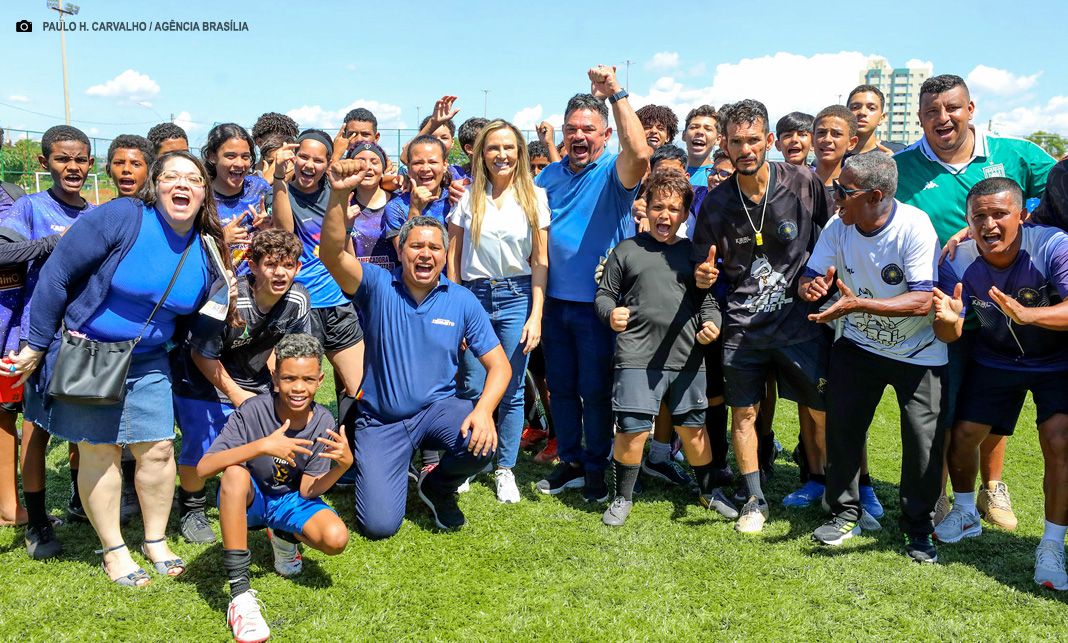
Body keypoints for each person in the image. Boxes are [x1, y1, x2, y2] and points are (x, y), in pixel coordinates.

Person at [5, 150, 235, 586]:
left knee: (159, 449)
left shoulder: (205, 245)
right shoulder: (123, 216)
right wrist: (37, 344)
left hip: (149, 360)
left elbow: (203, 310)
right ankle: (113, 548)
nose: (182, 185)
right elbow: (56, 274)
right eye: (172, 177)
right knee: (101, 450)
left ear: (205, 193)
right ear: (156, 184)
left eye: (194, 179)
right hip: (90, 354)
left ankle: (154, 540)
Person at [318, 158, 511, 537]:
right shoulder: (376, 285)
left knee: (482, 443)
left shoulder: (461, 300)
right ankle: (389, 466)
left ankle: (437, 486)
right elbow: (332, 255)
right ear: (401, 251)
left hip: (438, 410)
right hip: (382, 420)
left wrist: (485, 410)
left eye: (434, 248)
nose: (425, 254)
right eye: (416, 246)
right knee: (379, 526)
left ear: (444, 255)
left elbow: (500, 367)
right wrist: (339, 195)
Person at [896, 74, 1057, 529]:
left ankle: (992, 488)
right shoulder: (904, 165)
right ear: (920, 117)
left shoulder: (1016, 152)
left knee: (995, 406)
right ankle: (944, 493)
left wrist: (987, 223)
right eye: (931, 111)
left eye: (952, 108)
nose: (942, 119)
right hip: (944, 304)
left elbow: (1057, 195)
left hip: (1011, 304)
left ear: (971, 108)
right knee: (948, 405)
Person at [692, 99, 833, 533]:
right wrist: (701, 275)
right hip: (743, 328)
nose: (745, 148)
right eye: (736, 141)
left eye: (754, 139)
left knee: (821, 408)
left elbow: (833, 238)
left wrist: (820, 281)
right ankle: (755, 498)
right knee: (745, 414)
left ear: (769, 140)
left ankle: (833, 485)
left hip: (799, 322)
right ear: (725, 144)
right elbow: (702, 269)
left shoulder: (805, 182)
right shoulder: (715, 204)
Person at [802, 152, 945, 563]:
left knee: (922, 443)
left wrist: (857, 308)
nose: (836, 197)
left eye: (844, 192)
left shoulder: (914, 226)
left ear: (876, 196)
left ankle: (919, 529)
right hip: (859, 346)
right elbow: (812, 277)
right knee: (843, 430)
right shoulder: (839, 225)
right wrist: (810, 289)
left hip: (919, 352)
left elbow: (921, 301)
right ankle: (844, 512)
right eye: (835, 188)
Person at [933, 177, 1068, 589]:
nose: (989, 225)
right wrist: (950, 322)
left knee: (1060, 441)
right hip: (996, 359)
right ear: (968, 223)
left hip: (1056, 360)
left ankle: (1052, 544)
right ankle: (964, 511)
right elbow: (948, 332)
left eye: (999, 214)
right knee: (963, 435)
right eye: (980, 217)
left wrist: (1029, 316)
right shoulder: (956, 260)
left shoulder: (1052, 245)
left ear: (1022, 216)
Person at [533, 65, 651, 502]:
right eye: (572, 129)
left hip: (600, 306)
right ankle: (571, 460)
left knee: (596, 392)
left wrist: (615, 92)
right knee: (561, 388)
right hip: (554, 304)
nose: (579, 136)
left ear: (604, 135)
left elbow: (639, 152)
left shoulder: (613, 173)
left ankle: (598, 467)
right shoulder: (547, 177)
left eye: (589, 129)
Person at [596, 169, 736, 525]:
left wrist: (713, 326)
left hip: (686, 357)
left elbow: (708, 304)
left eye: (674, 209)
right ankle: (622, 497)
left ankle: (707, 492)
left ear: (686, 213)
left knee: (693, 429)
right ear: (646, 207)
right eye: (658, 206)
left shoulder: (695, 255)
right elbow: (604, 296)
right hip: (636, 356)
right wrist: (611, 314)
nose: (665, 215)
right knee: (632, 428)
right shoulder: (626, 250)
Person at [197, 333, 351, 642]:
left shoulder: (322, 419)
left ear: (320, 380)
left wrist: (344, 465)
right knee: (234, 474)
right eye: (289, 378)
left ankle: (282, 535)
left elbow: (308, 490)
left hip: (289, 499)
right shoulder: (254, 410)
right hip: (249, 498)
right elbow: (204, 468)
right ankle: (240, 594)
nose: (298, 387)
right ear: (275, 378)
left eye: (307, 379)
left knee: (336, 539)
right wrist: (262, 446)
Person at [171, 229, 311, 543]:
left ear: (298, 268)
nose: (280, 273)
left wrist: (279, 390)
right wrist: (237, 395)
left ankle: (263, 499)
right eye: (271, 264)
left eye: (288, 265)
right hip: (198, 377)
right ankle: (192, 509)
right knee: (202, 443)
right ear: (252, 264)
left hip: (254, 379)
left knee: (275, 437)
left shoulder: (298, 298)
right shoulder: (231, 297)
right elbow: (200, 353)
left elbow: (288, 349)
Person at [1, 125, 95, 559]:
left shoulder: (94, 213)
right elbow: (3, 253)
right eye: (62, 159)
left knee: (80, 426)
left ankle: (80, 502)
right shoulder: (29, 207)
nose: (72, 167)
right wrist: (51, 245)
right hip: (35, 336)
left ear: (90, 164)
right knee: (35, 428)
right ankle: (36, 522)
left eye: (80, 160)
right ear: (45, 164)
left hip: (80, 337)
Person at [446, 120, 549, 503]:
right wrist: (455, 307)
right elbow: (453, 259)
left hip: (517, 295)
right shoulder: (467, 197)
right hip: (473, 297)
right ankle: (472, 460)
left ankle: (505, 467)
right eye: (493, 148)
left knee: (511, 388)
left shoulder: (535, 197)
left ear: (519, 152)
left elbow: (540, 261)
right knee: (471, 384)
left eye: (508, 147)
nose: (501, 155)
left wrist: (536, 314)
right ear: (481, 154)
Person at [269, 130, 365, 424]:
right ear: (293, 157)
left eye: (318, 160)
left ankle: (352, 450)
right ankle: (294, 456)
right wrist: (279, 181)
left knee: (359, 387)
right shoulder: (280, 191)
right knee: (298, 391)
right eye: (304, 157)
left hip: (338, 304)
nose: (309, 165)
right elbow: (286, 235)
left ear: (327, 163)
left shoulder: (336, 191)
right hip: (300, 306)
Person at [203, 123, 272, 275]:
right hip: (221, 285)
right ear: (212, 156)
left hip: (260, 283)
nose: (239, 163)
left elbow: (282, 235)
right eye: (230, 156)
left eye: (245, 157)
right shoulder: (202, 197)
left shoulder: (259, 188)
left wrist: (269, 225)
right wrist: (222, 239)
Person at [382, 135, 453, 244]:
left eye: (433, 162)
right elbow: (403, 253)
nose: (425, 169)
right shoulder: (396, 207)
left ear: (444, 165)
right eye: (418, 163)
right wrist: (415, 209)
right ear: (409, 169)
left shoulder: (455, 200)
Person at [346, 142, 398, 270]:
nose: (368, 167)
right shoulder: (342, 204)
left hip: (393, 286)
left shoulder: (398, 203)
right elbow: (344, 261)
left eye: (374, 162)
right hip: (358, 283)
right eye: (360, 161)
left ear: (383, 169)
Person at [812, 106, 859, 187]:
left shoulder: (856, 191)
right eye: (821, 132)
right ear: (812, 139)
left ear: (851, 143)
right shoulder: (796, 184)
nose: (827, 139)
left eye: (837, 134)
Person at [845, 85, 897, 155]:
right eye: (855, 107)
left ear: (881, 118)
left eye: (871, 108)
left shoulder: (898, 152)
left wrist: (897, 163)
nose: (862, 112)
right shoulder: (832, 154)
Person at [682, 105, 720, 186]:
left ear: (718, 139)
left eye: (708, 129)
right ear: (684, 135)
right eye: (694, 127)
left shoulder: (721, 176)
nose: (700, 132)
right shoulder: (671, 171)